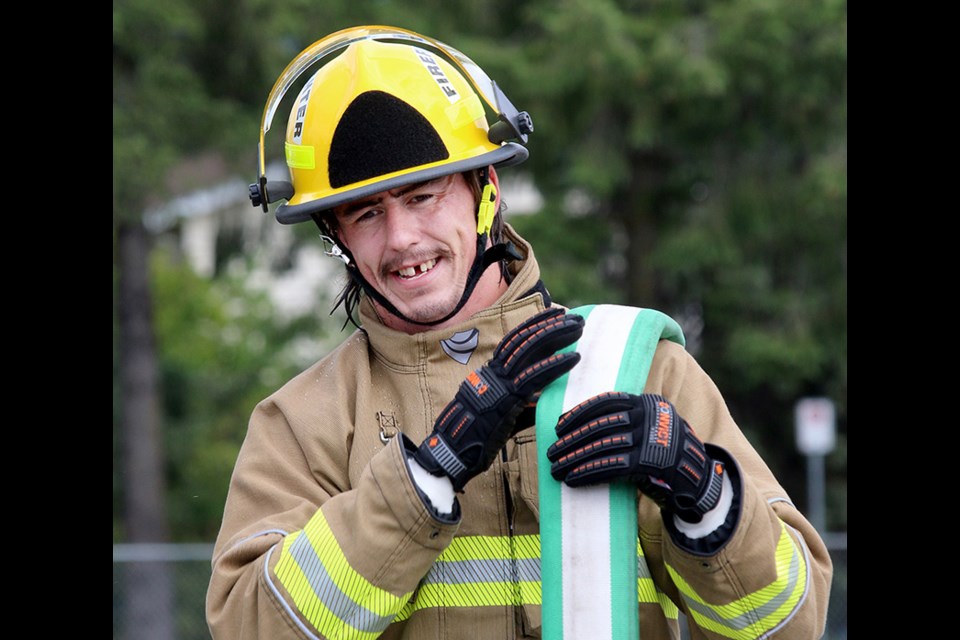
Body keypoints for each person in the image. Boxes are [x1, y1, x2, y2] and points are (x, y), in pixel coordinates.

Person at [206, 25, 833, 640]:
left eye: (423, 196)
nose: (400, 239)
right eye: (367, 213)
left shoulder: (638, 368)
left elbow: (789, 624)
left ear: (486, 192)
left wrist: (706, 498)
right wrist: (424, 478)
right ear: (337, 239)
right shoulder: (304, 422)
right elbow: (247, 627)